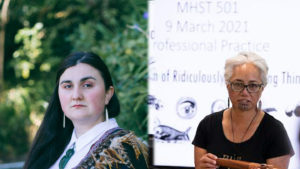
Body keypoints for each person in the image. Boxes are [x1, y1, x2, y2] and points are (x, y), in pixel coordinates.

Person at [23, 52, 148, 169]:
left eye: (87, 85)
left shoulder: (124, 151)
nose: (76, 95)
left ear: (108, 94)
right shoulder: (54, 145)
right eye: (68, 86)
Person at [192, 52, 294, 169]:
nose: (245, 92)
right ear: (228, 86)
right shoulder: (208, 125)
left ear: (262, 88)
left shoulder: (275, 130)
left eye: (253, 85)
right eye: (238, 84)